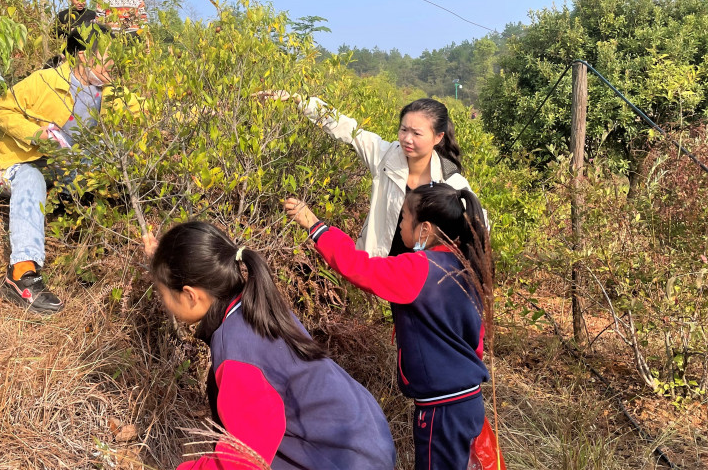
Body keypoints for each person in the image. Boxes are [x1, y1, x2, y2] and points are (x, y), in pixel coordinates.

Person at [142, 222, 396, 470]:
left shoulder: (237, 354)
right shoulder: (256, 305)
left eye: (162, 293)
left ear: (189, 295)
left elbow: (244, 461)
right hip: (365, 435)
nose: (164, 302)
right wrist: (162, 258)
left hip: (342, 459)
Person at [285, 183, 494, 470]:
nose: (400, 225)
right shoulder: (467, 267)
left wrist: (314, 225)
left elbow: (358, 267)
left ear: (425, 229)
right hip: (469, 402)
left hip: (440, 411)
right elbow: (476, 340)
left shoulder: (418, 268)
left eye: (405, 218)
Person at [0, 27, 140, 313]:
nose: (114, 64)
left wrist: (207, 112)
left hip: (61, 168)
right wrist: (36, 135)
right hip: (15, 164)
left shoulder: (107, 91)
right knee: (31, 178)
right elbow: (1, 109)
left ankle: (104, 242)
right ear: (83, 55)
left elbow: (145, 110)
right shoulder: (45, 81)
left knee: (117, 150)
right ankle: (20, 274)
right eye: (108, 57)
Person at [262, 93, 474, 257]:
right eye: (403, 130)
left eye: (417, 133)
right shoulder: (386, 156)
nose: (407, 139)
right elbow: (346, 128)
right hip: (378, 267)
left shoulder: (451, 182)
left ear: (438, 137)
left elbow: (476, 229)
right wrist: (299, 100)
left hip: (420, 278)